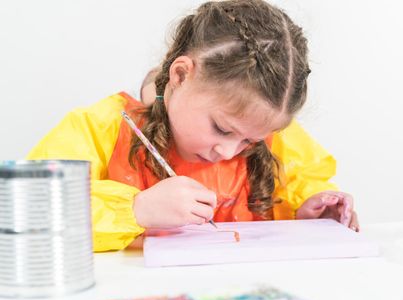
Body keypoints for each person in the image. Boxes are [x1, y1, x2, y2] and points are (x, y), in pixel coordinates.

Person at [27, 0, 359, 252]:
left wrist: (312, 210)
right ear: (181, 75)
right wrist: (135, 210)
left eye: (250, 141)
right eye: (221, 128)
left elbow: (305, 179)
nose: (228, 150)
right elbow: (31, 208)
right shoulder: (100, 127)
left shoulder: (269, 137)